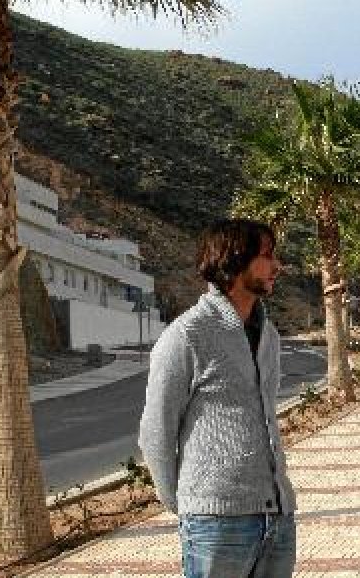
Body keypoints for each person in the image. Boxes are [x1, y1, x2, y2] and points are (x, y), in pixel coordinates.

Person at [139, 218, 296, 578]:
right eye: (267, 256)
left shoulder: (268, 334)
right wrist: (187, 504)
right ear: (235, 260)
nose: (276, 266)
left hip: (277, 517)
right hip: (216, 524)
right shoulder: (187, 334)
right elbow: (156, 430)